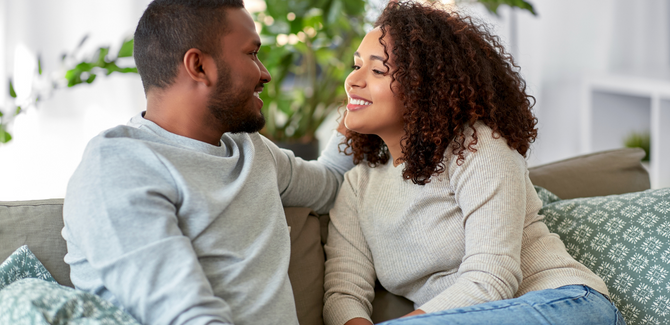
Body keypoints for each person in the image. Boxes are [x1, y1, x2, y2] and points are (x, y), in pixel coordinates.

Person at [323, 1, 625, 325]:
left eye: (378, 70)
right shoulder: (356, 187)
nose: (353, 81)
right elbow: (344, 294)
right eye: (356, 66)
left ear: (425, 86)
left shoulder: (477, 147)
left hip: (566, 306)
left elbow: (492, 280)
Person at [62, 1, 353, 325]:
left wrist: (359, 105)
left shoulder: (252, 150)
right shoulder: (119, 166)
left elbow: (332, 185)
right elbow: (189, 318)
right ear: (198, 66)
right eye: (251, 54)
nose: (265, 74)